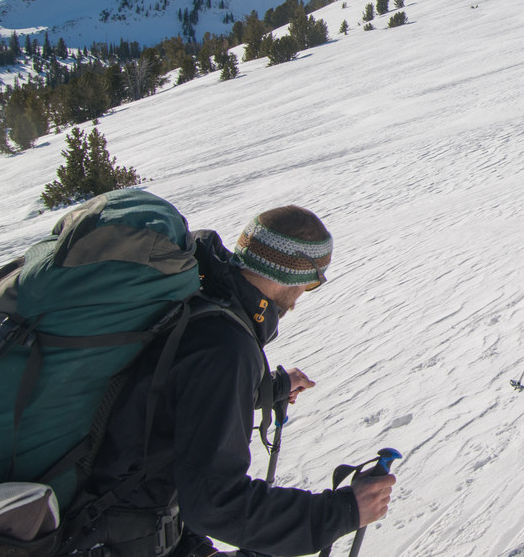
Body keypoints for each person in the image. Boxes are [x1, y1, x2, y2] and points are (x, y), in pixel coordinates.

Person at [82, 206, 395, 557]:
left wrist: (269, 388)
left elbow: (175, 392)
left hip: (125, 522)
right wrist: (344, 511)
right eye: (312, 281)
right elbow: (214, 502)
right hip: (125, 539)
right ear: (292, 273)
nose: (306, 293)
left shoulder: (198, 293)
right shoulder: (226, 347)